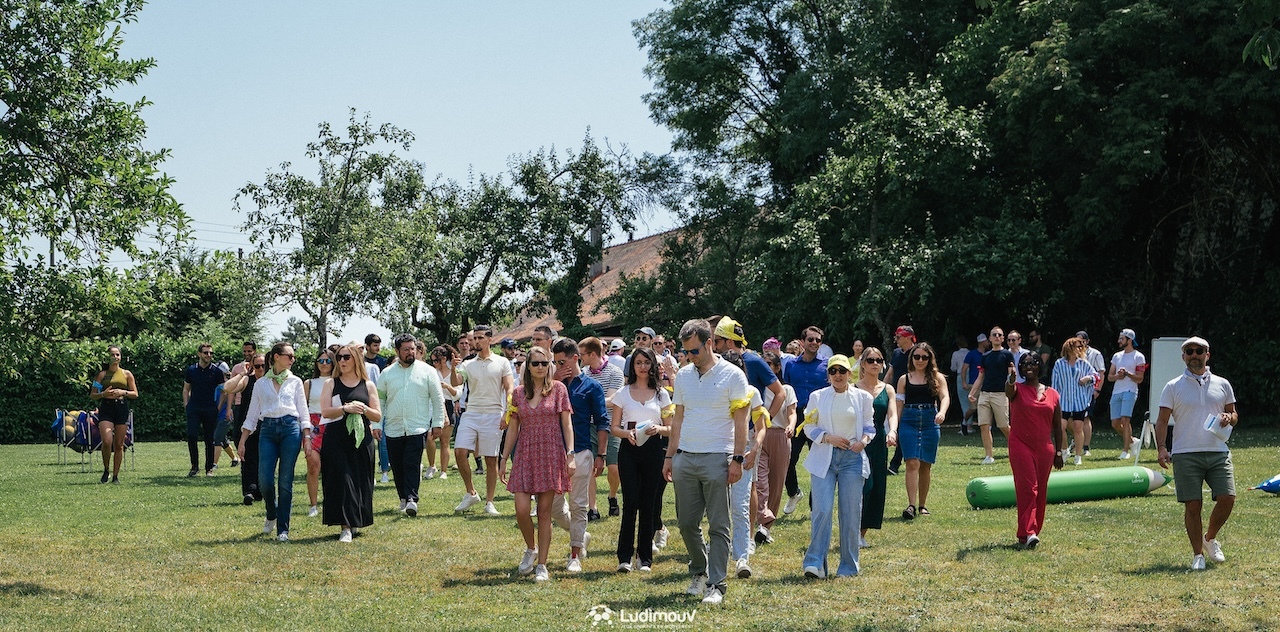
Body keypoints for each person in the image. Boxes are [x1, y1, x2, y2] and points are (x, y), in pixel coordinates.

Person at [663, 319, 749, 606]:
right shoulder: (684, 376)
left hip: (718, 457)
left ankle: (716, 584)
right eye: (686, 352)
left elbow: (741, 422)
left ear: (710, 342)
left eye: (695, 350)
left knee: (718, 525)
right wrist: (670, 456)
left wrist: (737, 458)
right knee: (686, 523)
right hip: (685, 457)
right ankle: (699, 570)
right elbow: (678, 419)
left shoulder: (733, 375)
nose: (690, 357)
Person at [1155, 336, 1238, 571]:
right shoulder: (1173, 386)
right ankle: (1197, 555)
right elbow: (1162, 421)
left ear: (1207, 355)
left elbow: (1234, 414)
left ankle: (1209, 538)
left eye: (1199, 351)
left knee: (1228, 498)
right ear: (1183, 357)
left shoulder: (1223, 384)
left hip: (1218, 451)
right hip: (1185, 453)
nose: (1194, 355)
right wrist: (1161, 448)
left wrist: (1229, 417)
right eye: (1189, 351)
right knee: (1193, 505)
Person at [498, 346, 575, 582]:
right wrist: (503, 458)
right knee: (521, 509)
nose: (540, 367)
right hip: (525, 454)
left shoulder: (559, 389)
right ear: (528, 367)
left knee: (544, 512)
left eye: (544, 363)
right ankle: (531, 548)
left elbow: (567, 424)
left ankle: (542, 564)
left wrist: (570, 454)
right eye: (535, 363)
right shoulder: (518, 393)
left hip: (550, 453)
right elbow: (513, 428)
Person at [800, 354, 875, 579]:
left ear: (849, 373)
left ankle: (848, 567)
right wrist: (827, 437)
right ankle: (815, 563)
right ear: (828, 375)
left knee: (851, 513)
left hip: (852, 459)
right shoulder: (817, 396)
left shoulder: (863, 397)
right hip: (824, 458)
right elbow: (808, 426)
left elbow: (870, 427)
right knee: (822, 510)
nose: (838, 375)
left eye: (842, 371)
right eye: (833, 371)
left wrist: (862, 442)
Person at [237, 342, 311, 542]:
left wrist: (307, 437)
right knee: (265, 481)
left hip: (290, 430)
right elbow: (252, 415)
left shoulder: (296, 381)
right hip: (267, 430)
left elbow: (303, 412)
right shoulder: (261, 384)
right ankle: (272, 512)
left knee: (285, 482)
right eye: (289, 355)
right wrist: (242, 441)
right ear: (277, 357)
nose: (293, 359)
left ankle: (283, 529)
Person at [609, 346, 673, 572]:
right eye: (638, 363)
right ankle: (624, 557)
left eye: (646, 362)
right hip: (629, 449)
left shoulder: (662, 394)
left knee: (649, 503)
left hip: (654, 449)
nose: (643, 367)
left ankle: (644, 558)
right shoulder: (623, 393)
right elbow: (614, 427)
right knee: (630, 502)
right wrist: (626, 434)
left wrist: (659, 428)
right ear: (632, 366)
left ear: (653, 365)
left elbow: (671, 427)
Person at [548, 337, 610, 572]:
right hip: (552, 453)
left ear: (575, 358)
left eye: (561, 362)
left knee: (579, 505)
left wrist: (601, 454)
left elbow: (602, 421)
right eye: (555, 362)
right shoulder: (550, 385)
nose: (558, 366)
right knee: (553, 508)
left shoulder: (591, 386)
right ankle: (581, 535)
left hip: (582, 450)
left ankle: (575, 553)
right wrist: (553, 381)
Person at [319, 344, 383, 542]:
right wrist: (345, 409)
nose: (342, 361)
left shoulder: (368, 385)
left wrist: (363, 408)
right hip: (336, 438)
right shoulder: (331, 383)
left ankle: (356, 519)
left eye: (346, 357)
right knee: (342, 480)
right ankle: (345, 526)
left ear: (356, 359)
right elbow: (325, 411)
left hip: (361, 439)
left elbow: (377, 415)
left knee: (360, 480)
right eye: (339, 357)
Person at [379, 334, 446, 517]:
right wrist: (377, 424)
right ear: (397, 351)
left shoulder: (428, 371)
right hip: (393, 428)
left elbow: (437, 398)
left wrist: (438, 422)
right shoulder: (387, 374)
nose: (410, 352)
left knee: (411, 462)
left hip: (418, 427)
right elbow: (380, 401)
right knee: (397, 465)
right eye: (406, 349)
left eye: (413, 349)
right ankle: (403, 497)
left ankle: (411, 499)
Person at [451, 324, 514, 516]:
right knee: (460, 451)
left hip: (494, 413)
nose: (476, 341)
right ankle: (471, 493)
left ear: (489, 339)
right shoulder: (467, 364)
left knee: (491, 460)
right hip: (471, 413)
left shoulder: (502, 362)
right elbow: (456, 382)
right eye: (474, 338)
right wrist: (453, 368)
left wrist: (507, 412)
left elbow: (509, 388)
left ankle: (489, 502)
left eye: (480, 338)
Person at [1005, 352, 1066, 548]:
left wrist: (1059, 452)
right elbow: (1009, 391)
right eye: (1024, 364)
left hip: (1045, 449)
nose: (1028, 367)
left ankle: (1028, 534)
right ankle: (1028, 531)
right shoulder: (1017, 389)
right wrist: (1011, 379)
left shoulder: (1053, 394)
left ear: (1040, 366)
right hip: (1020, 445)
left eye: (1032, 363)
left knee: (1041, 491)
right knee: (1028, 489)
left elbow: (1057, 426)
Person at [895, 342, 949, 519]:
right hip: (909, 421)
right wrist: (895, 428)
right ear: (911, 358)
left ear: (929, 359)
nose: (920, 360)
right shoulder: (904, 379)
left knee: (925, 464)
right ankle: (911, 505)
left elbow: (945, 397)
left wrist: (942, 412)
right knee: (912, 462)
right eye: (916, 356)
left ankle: (922, 505)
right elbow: (899, 405)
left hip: (929, 421)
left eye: (924, 357)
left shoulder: (937, 377)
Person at [782, 326, 829, 515]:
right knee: (787, 459)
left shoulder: (826, 365)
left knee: (819, 462)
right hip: (797, 416)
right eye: (811, 339)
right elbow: (786, 391)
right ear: (802, 342)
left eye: (818, 340)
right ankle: (794, 492)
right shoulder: (791, 365)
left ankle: (814, 505)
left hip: (819, 417)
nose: (814, 343)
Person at [580, 337, 626, 519]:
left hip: (611, 425)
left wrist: (589, 401)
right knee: (590, 468)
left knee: (614, 468)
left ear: (593, 354)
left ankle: (612, 496)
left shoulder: (615, 372)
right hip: (590, 425)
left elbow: (613, 400)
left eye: (583, 354)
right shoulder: (583, 373)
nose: (580, 358)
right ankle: (593, 508)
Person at [754, 351, 796, 546]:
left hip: (780, 435)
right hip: (760, 435)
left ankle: (765, 529)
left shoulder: (786, 389)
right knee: (760, 482)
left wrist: (791, 425)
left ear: (777, 368)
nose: (766, 368)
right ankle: (761, 517)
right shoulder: (757, 389)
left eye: (769, 364)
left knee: (777, 483)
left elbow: (792, 412)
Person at [855, 347, 896, 547]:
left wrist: (892, 431)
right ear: (863, 364)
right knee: (863, 485)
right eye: (870, 360)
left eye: (878, 360)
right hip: (858, 441)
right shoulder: (853, 389)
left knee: (877, 487)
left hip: (879, 440)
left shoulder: (888, 389)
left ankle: (861, 534)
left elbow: (893, 414)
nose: (875, 364)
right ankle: (853, 529)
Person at [89, 345, 138, 484]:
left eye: (117, 355)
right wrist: (103, 394)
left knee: (119, 444)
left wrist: (123, 392)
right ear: (108, 357)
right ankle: (106, 469)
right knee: (107, 441)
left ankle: (116, 476)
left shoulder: (127, 374)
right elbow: (93, 395)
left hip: (121, 408)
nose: (115, 357)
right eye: (112, 354)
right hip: (106, 408)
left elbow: (135, 394)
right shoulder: (102, 375)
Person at [968, 326, 1015, 464]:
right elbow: (981, 376)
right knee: (984, 425)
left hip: (1000, 394)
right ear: (990, 338)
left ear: (1003, 338)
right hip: (985, 394)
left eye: (999, 335)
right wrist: (972, 392)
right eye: (994, 334)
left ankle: (1017, 448)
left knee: (1003, 425)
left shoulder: (1007, 355)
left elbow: (1011, 376)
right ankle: (989, 456)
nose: (997, 337)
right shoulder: (985, 356)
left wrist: (1012, 385)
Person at [1052, 337, 1099, 465]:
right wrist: (1054, 399)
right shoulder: (1059, 363)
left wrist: (1088, 378)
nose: (1080, 349)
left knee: (1078, 427)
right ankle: (1064, 449)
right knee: (1060, 427)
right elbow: (1055, 383)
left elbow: (1096, 376)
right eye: (1077, 346)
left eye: (1081, 347)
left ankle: (1078, 456)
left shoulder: (1084, 363)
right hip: (1064, 400)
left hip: (1079, 400)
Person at [225, 354, 265, 504]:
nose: (260, 369)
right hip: (246, 425)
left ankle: (260, 490)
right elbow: (228, 388)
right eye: (257, 366)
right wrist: (242, 373)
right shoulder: (247, 380)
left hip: (265, 426)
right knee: (247, 459)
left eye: (263, 365)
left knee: (262, 460)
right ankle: (250, 491)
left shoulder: (272, 382)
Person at [183, 343, 226, 477]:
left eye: (211, 353)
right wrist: (187, 405)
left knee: (209, 439)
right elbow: (186, 389)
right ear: (199, 354)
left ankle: (209, 468)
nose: (209, 355)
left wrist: (218, 407)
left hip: (210, 408)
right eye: (206, 352)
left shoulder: (216, 371)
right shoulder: (191, 370)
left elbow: (224, 391)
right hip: (194, 408)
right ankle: (194, 467)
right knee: (192, 436)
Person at [303, 349, 334, 517]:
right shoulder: (309, 383)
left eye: (328, 361)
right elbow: (302, 407)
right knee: (313, 465)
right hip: (313, 425)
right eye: (321, 360)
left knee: (331, 466)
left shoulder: (337, 381)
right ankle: (313, 505)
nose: (324, 364)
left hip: (332, 423)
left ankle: (330, 501)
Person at [1109, 328, 1147, 460]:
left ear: (1129, 340)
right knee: (1115, 423)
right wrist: (1117, 376)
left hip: (1130, 390)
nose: (1119, 341)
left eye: (1122, 339)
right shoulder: (1116, 356)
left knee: (1125, 420)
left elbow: (1140, 378)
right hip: (1117, 391)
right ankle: (1132, 441)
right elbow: (1110, 377)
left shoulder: (1139, 356)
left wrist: (1127, 374)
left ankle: (1125, 451)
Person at [885, 325, 915, 475]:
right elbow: (890, 374)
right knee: (896, 426)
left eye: (899, 337)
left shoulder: (917, 353)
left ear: (908, 338)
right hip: (896, 396)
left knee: (903, 428)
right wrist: (881, 389)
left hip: (912, 397)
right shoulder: (897, 353)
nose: (896, 340)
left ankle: (895, 464)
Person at [425, 345, 459, 481]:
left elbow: (457, 393)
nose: (434, 363)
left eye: (436, 360)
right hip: (433, 405)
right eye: (432, 361)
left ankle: (443, 471)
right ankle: (432, 465)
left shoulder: (453, 372)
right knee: (430, 437)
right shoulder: (432, 372)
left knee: (445, 441)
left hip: (449, 404)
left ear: (444, 359)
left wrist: (446, 386)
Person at [1078, 330, 1107, 456]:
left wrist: (1097, 389)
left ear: (1087, 341)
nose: (1080, 343)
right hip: (1075, 391)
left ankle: (1086, 447)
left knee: (1085, 417)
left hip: (1089, 390)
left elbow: (1101, 373)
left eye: (1082, 340)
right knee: (1072, 418)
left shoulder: (1095, 354)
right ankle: (1078, 440)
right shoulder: (1074, 353)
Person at [959, 334, 989, 435]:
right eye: (986, 341)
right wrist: (964, 382)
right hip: (974, 385)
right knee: (973, 408)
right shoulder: (971, 354)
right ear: (982, 342)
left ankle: (987, 428)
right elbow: (964, 369)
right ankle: (964, 422)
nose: (988, 343)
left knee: (987, 406)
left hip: (987, 384)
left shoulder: (988, 354)